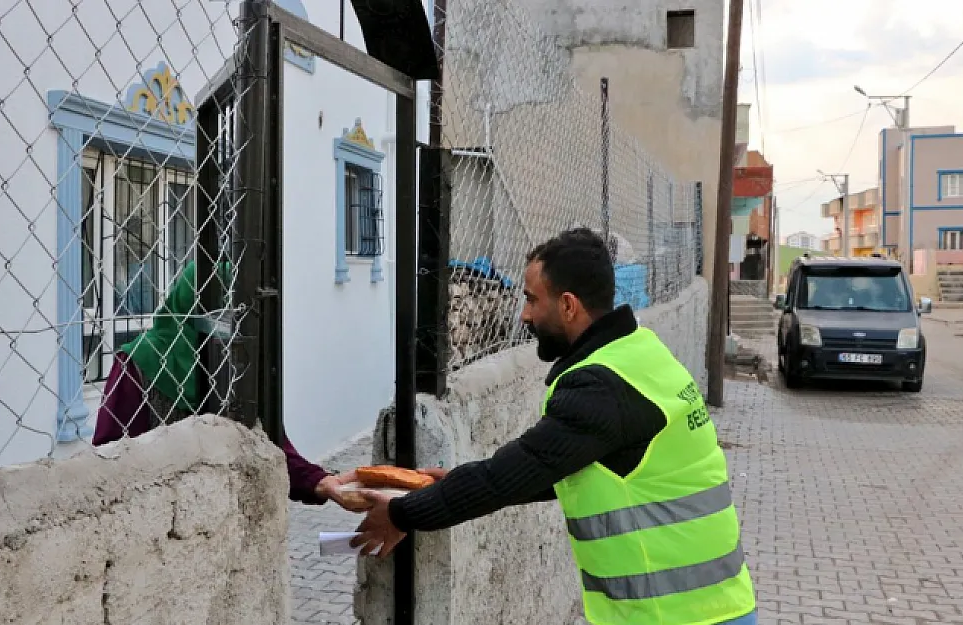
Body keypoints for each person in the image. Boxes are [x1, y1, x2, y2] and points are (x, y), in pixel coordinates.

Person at [351, 228, 757, 624]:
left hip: (673, 614)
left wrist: (403, 513)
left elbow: (511, 475)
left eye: (531, 300)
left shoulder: (599, 386)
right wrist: (456, 481)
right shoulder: (640, 354)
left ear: (567, 305)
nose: (524, 314)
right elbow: (561, 467)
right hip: (715, 604)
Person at [91, 261, 367, 511]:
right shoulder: (139, 362)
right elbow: (111, 456)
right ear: (191, 303)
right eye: (217, 311)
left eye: (233, 312)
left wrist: (322, 482)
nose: (225, 324)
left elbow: (271, 444)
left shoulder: (237, 364)